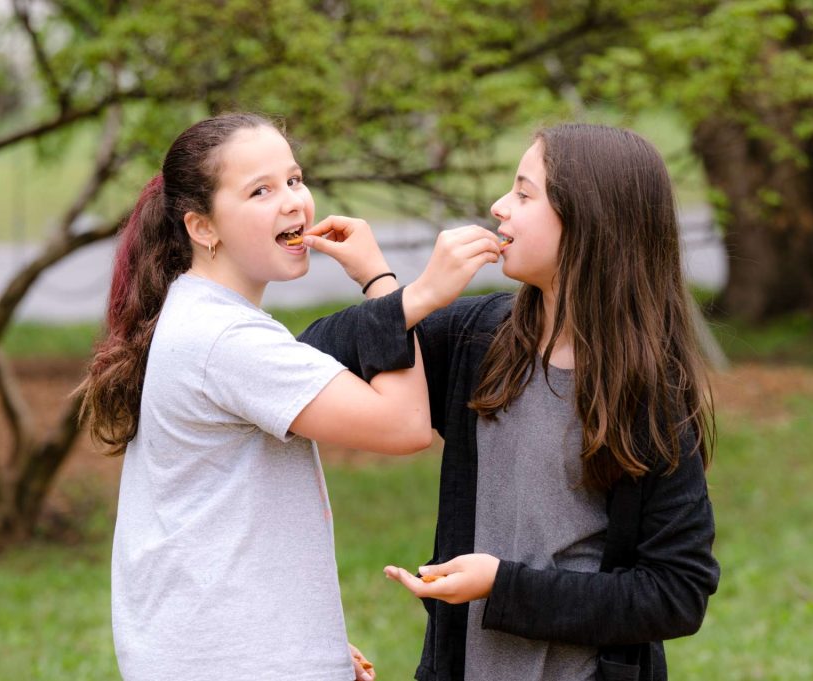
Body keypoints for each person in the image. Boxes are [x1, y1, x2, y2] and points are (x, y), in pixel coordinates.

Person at [78, 113, 501, 681]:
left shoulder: (202, 315)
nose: (293, 202)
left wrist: (302, 645)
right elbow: (404, 427)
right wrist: (394, 288)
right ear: (203, 228)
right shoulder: (227, 340)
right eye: (260, 190)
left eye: (294, 180)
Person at [299, 123, 720, 681]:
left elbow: (676, 592)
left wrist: (504, 585)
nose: (499, 207)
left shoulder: (649, 392)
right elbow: (305, 363)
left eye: (524, 194)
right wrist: (397, 288)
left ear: (587, 220)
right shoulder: (479, 338)